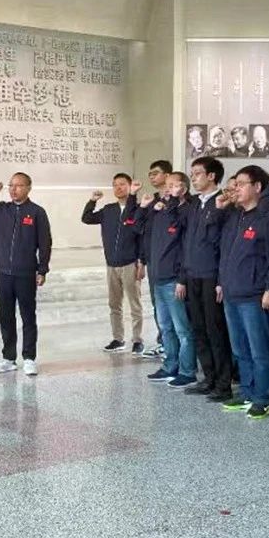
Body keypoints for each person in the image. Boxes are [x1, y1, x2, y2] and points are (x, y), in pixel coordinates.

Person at [0, 173, 52, 376]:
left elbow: (45, 243)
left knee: (28, 316)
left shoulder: (37, 212)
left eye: (19, 185)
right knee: (5, 316)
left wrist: (42, 269)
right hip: (3, 273)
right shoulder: (0, 210)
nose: (14, 189)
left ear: (29, 188)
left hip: (26, 274)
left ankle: (29, 358)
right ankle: (8, 358)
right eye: (11, 185)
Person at [218, 165, 269, 419]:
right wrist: (221, 282)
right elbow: (224, 253)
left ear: (257, 187)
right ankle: (246, 391)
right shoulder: (234, 217)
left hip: (254, 295)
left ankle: (262, 397)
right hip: (231, 293)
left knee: (259, 350)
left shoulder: (266, 219)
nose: (236, 188)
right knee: (240, 349)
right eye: (235, 184)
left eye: (242, 184)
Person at [138, 172, 197, 389]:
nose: (167, 189)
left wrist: (182, 278)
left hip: (174, 279)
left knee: (182, 329)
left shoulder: (187, 211)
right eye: (167, 185)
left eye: (173, 185)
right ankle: (170, 365)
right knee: (165, 327)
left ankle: (187, 371)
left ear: (183, 188)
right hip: (158, 278)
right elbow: (137, 227)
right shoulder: (161, 211)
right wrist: (146, 208)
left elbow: (186, 248)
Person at [182, 157, 234, 400]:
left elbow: (225, 245)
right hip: (192, 274)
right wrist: (183, 276)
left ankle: (223, 384)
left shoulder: (224, 203)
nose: (193, 178)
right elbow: (186, 242)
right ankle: (209, 377)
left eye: (197, 173)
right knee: (199, 329)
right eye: (192, 174)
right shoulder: (194, 204)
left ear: (212, 176)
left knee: (216, 330)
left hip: (211, 275)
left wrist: (222, 279)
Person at [82, 174, 142, 354]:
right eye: (115, 185)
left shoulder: (138, 209)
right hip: (111, 264)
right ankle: (118, 339)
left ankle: (137, 340)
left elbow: (141, 237)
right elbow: (87, 218)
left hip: (130, 264)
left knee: (135, 304)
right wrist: (92, 201)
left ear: (130, 186)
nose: (118, 188)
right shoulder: (108, 210)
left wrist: (141, 262)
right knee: (114, 304)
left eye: (122, 184)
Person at [139, 160, 174, 358]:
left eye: (156, 173)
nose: (152, 177)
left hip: (170, 261)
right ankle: (163, 341)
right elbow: (139, 229)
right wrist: (142, 259)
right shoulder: (151, 201)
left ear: (167, 175)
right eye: (150, 174)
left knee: (172, 306)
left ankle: (173, 345)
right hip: (153, 259)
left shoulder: (177, 201)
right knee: (157, 303)